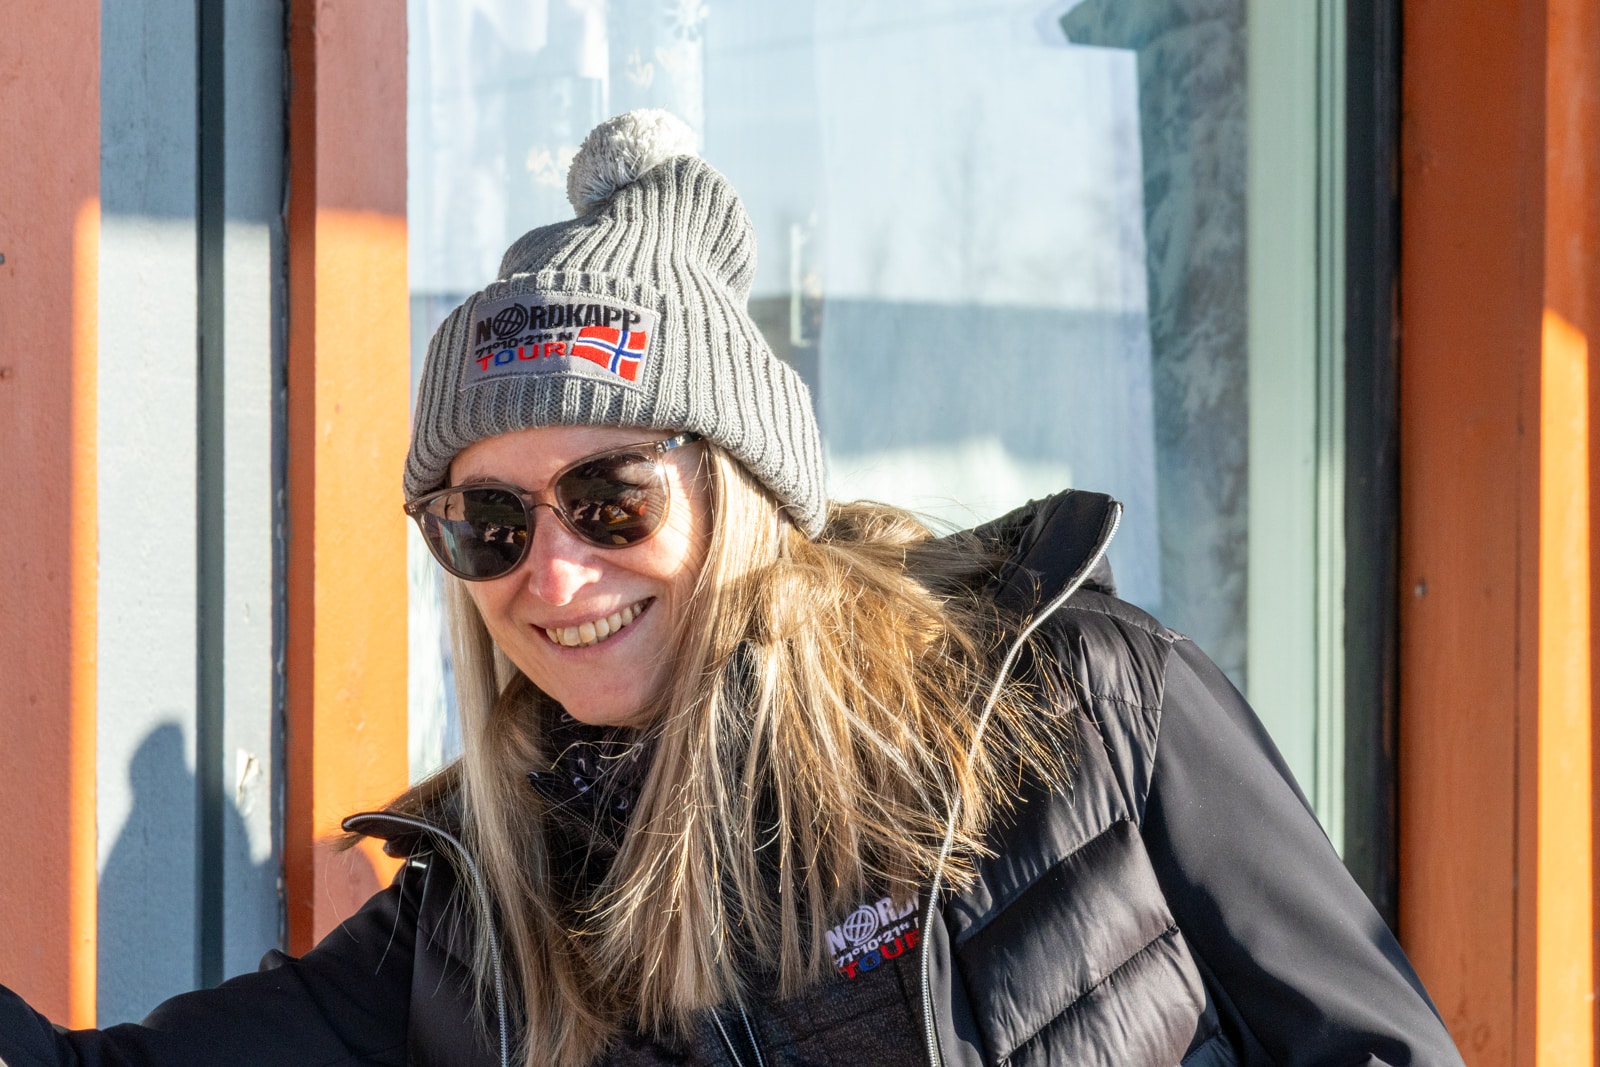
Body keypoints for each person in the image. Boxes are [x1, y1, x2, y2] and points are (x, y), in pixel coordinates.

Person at [0, 109, 1464, 1067]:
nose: (553, 571)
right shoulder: (481, 916)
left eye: (610, 498)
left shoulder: (1078, 704)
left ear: (741, 491)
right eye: (487, 523)